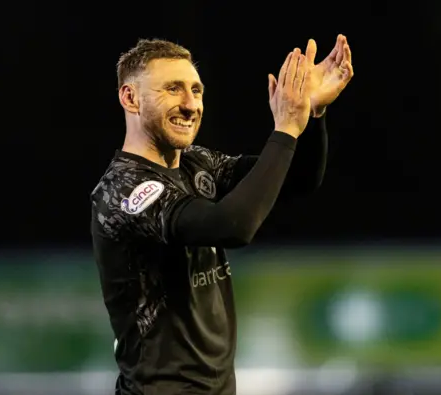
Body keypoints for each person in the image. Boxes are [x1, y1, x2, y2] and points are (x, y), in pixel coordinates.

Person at [91, 36, 353, 395]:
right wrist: (286, 128)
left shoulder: (197, 163)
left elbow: (297, 178)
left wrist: (309, 115)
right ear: (131, 98)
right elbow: (232, 227)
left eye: (196, 91)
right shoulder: (123, 189)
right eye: (173, 89)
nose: (190, 104)